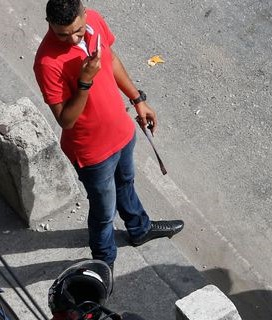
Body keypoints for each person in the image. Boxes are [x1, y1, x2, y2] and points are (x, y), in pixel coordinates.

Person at [34, 0, 183, 269]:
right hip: (92, 153)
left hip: (122, 132)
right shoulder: (46, 63)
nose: (72, 39)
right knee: (104, 213)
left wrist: (137, 99)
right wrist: (84, 81)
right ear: (50, 25)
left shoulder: (95, 20)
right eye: (62, 34)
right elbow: (66, 120)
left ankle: (140, 229)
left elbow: (111, 60)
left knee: (126, 182)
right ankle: (104, 263)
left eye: (77, 31)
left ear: (83, 13)